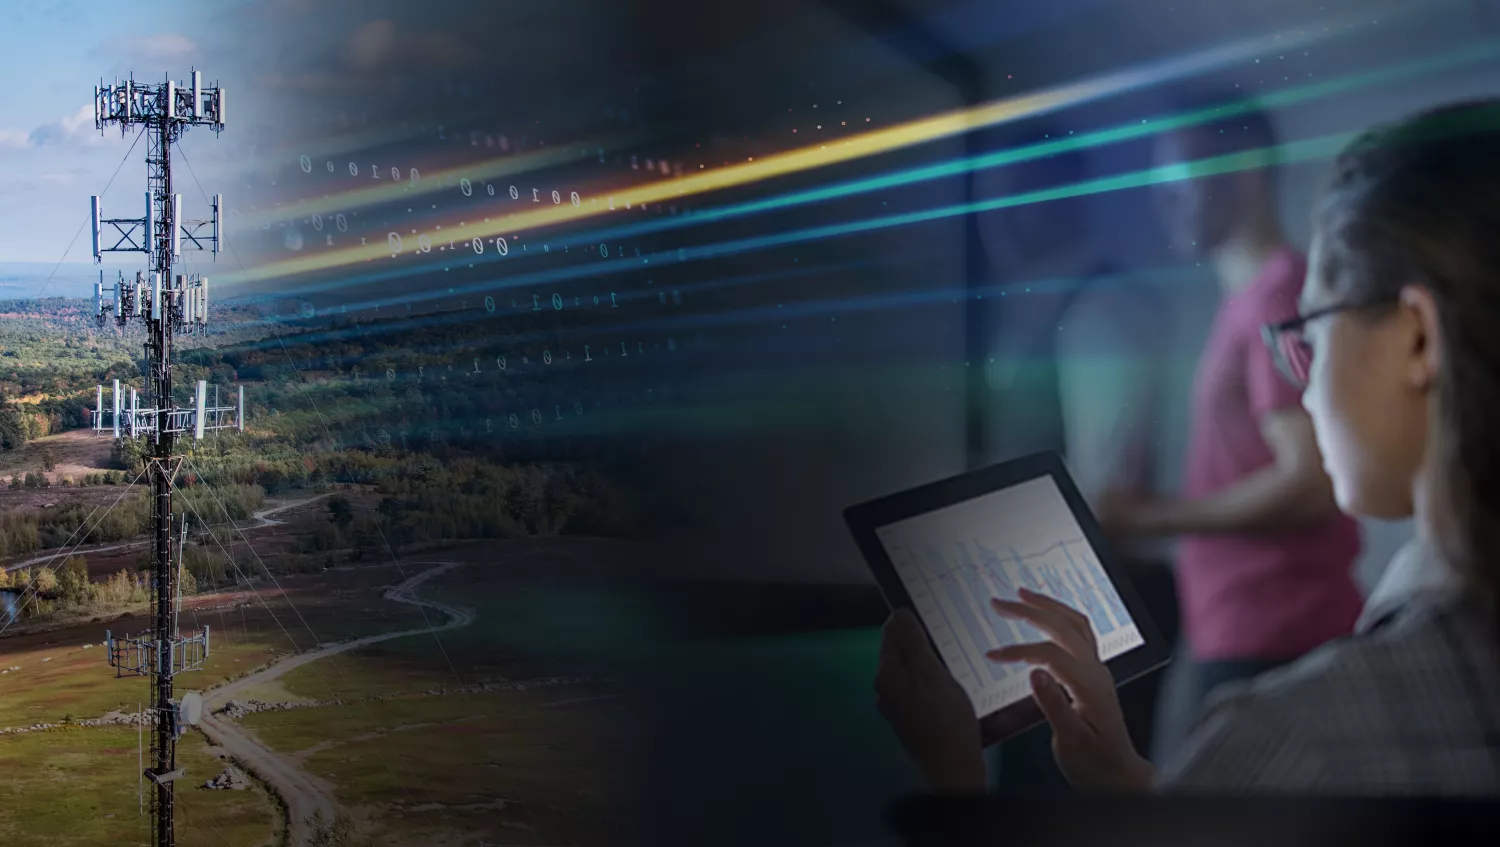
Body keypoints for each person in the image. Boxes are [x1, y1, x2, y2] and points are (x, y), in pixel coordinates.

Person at [874, 98, 1500, 794]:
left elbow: (1305, 483)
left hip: (1268, 622)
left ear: (1417, 337)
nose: (1308, 382)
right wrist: (1127, 778)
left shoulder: (1295, 737)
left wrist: (953, 779)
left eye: (1313, 336)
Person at [1097, 94, 1362, 758]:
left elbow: (1310, 484)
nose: (1164, 204)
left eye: (1178, 182)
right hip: (1240, 628)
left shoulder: (1277, 299)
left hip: (1274, 632)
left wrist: (1144, 517)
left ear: (1243, 170)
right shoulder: (1251, 300)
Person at [972, 122, 1176, 787]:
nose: (993, 214)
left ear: (1062, 195)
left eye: (1013, 191)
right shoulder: (1022, 311)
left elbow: (1103, 495)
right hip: (1049, 623)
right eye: (985, 193)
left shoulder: (1103, 307)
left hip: (1097, 627)